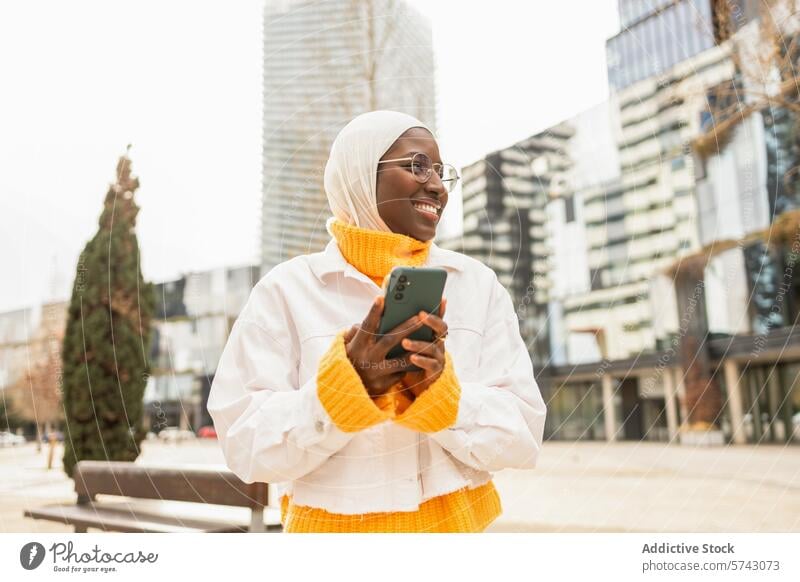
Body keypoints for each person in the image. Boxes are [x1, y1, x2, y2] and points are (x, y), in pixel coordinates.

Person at [208, 110, 546, 533]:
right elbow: (244, 443)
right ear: (360, 176)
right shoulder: (285, 291)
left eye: (441, 172)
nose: (437, 186)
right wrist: (342, 394)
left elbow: (524, 437)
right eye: (417, 165)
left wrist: (443, 400)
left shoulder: (479, 286)